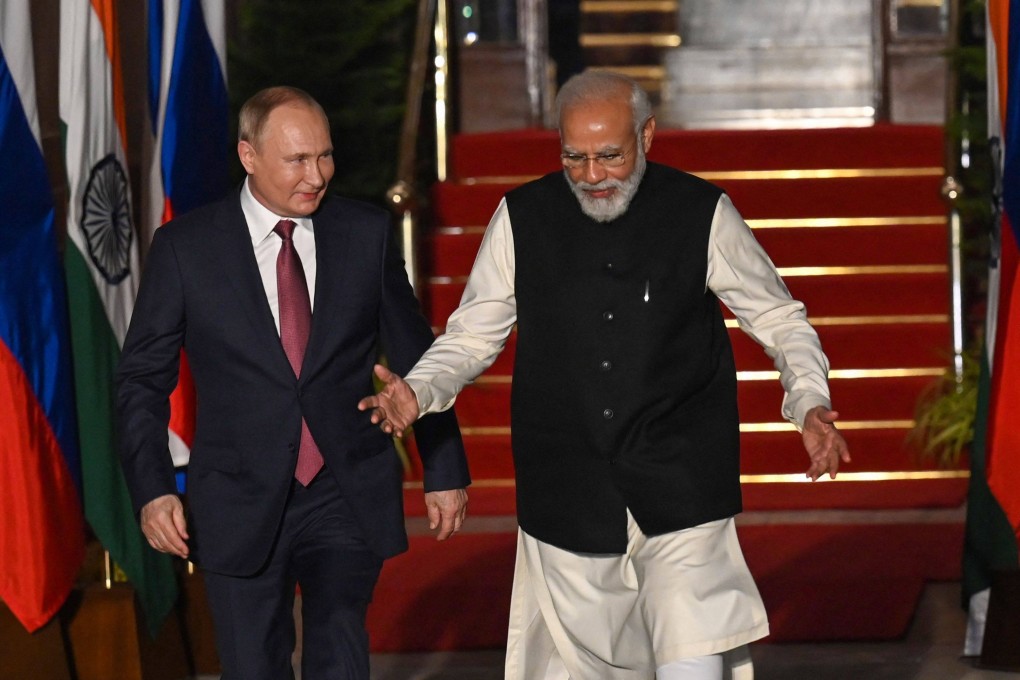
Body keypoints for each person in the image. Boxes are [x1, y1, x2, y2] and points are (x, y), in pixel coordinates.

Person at [359, 71, 850, 679]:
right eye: (575, 158)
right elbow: (470, 335)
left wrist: (807, 399)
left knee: (691, 652)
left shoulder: (702, 212)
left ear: (647, 136)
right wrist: (422, 390)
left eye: (610, 156)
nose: (593, 175)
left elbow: (778, 318)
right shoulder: (521, 216)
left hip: (683, 479)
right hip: (567, 487)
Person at [116, 86, 470, 680]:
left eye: (325, 156)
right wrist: (153, 489)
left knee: (341, 656)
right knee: (254, 666)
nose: (318, 175)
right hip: (236, 496)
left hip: (344, 486)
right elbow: (141, 382)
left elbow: (418, 358)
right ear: (248, 156)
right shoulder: (186, 249)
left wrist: (444, 466)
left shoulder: (364, 233)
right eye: (298, 160)